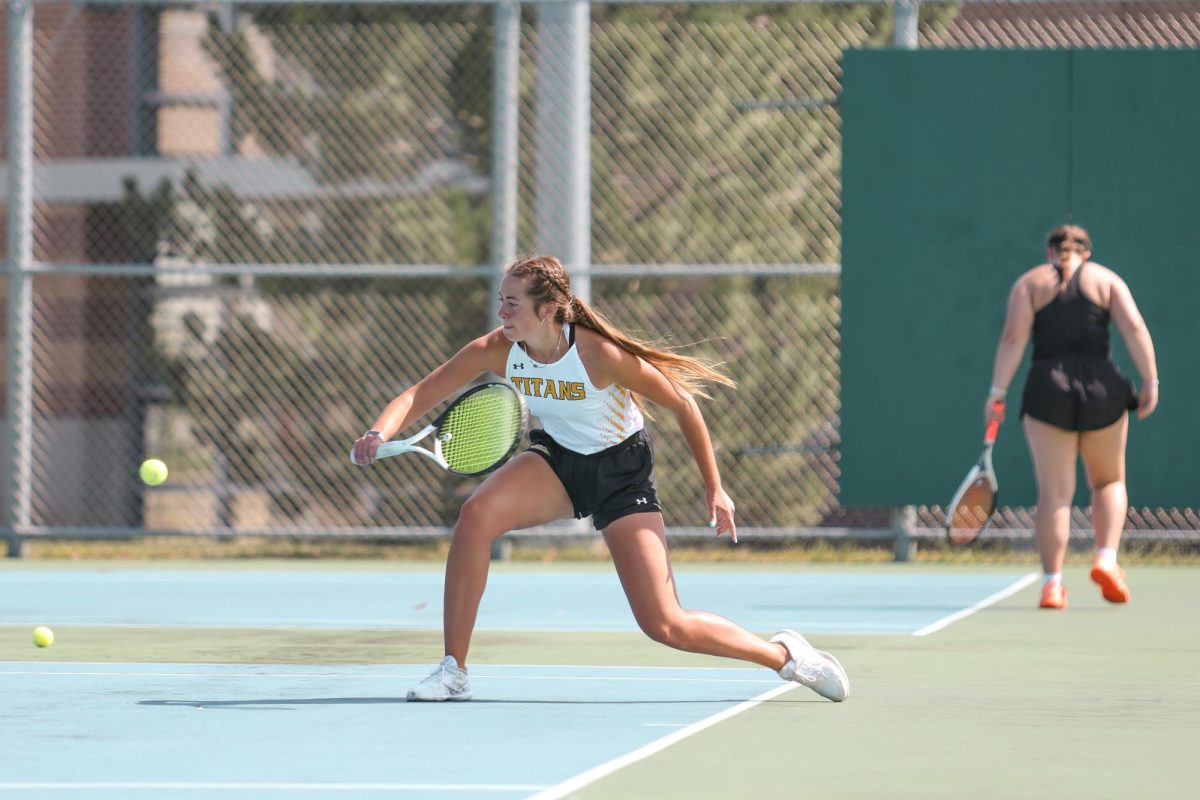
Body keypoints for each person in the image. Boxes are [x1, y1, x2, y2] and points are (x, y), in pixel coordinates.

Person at [352, 255, 849, 702]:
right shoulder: (498, 350)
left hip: (621, 473)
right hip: (558, 462)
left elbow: (683, 403)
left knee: (665, 624)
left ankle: (785, 656)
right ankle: (453, 671)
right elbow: (420, 394)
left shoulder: (598, 355)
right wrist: (378, 431)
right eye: (501, 302)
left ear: (547, 310)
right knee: (475, 516)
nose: (502, 313)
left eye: (512, 304)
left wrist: (715, 487)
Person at [985, 225, 1158, 610]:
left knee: (1054, 494)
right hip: (1103, 390)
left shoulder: (1029, 283)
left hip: (1048, 391)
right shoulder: (1106, 279)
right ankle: (1106, 559)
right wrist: (1151, 380)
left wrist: (997, 393)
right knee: (1109, 480)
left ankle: (1052, 584)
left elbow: (1012, 340)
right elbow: (1134, 327)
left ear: (1050, 253)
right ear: (1087, 253)